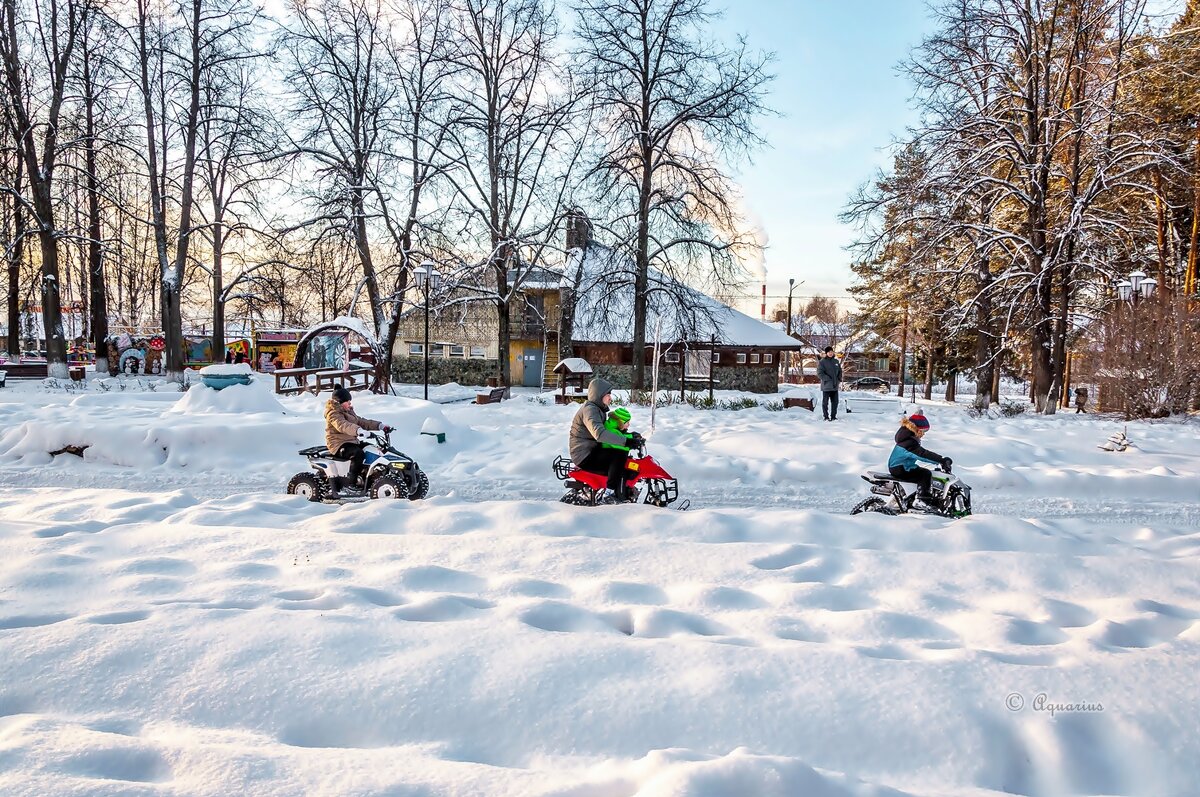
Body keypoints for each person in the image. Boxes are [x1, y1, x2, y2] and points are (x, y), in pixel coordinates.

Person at [569, 377, 643, 503]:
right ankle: (610, 493)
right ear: (599, 395)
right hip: (584, 454)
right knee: (618, 455)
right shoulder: (590, 410)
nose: (610, 398)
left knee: (621, 456)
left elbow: (609, 432)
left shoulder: (597, 409)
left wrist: (630, 436)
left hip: (591, 450)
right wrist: (625, 441)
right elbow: (600, 433)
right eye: (608, 394)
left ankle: (623, 492)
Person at [325, 384, 393, 496]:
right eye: (348, 401)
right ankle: (350, 485)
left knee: (371, 449)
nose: (350, 403)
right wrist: (358, 431)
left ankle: (370, 476)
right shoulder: (333, 413)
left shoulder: (348, 411)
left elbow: (361, 421)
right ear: (339, 402)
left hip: (351, 441)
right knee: (358, 454)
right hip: (338, 444)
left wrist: (379, 426)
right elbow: (343, 425)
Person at [888, 413, 952, 507]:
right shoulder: (909, 443)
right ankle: (922, 500)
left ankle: (912, 498)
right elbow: (923, 455)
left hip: (902, 466)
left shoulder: (906, 438)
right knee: (925, 474)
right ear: (916, 429)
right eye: (923, 431)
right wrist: (941, 460)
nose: (924, 434)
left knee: (921, 471)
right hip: (900, 468)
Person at [818, 346, 842, 421]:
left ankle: (833, 416)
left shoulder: (836, 361)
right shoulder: (822, 362)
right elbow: (820, 373)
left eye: (831, 352)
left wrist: (839, 379)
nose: (830, 353)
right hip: (826, 386)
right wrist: (827, 379)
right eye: (829, 352)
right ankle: (826, 416)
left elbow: (840, 371)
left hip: (835, 386)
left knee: (835, 402)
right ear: (826, 353)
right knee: (825, 403)